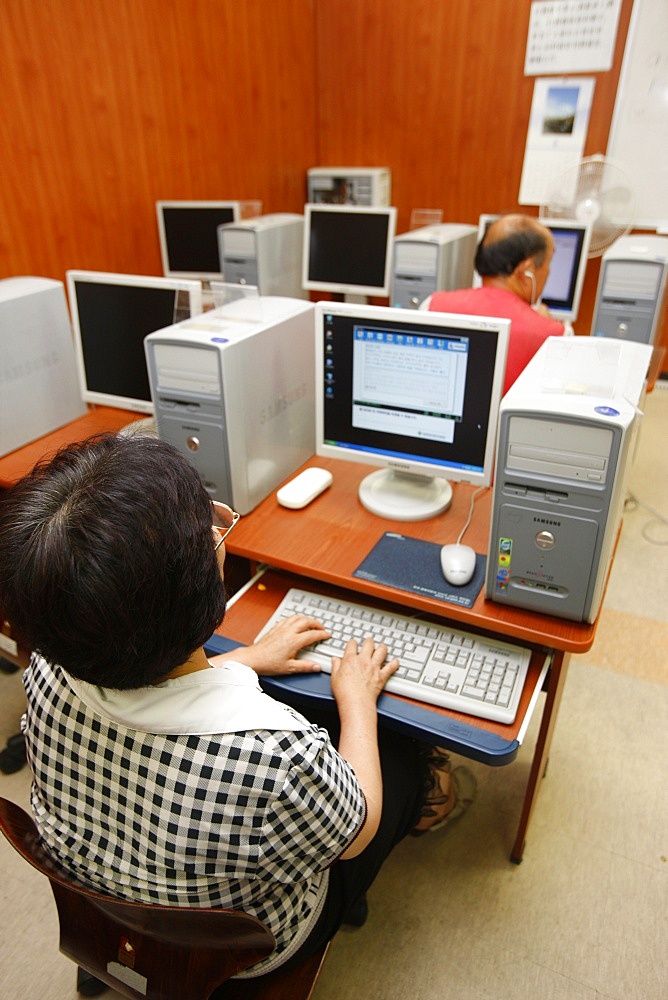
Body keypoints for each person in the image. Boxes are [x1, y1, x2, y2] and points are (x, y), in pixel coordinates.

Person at [0, 433, 475, 991]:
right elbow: (357, 829)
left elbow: (143, 690)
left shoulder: (50, 671)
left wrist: (246, 659)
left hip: (105, 904)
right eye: (209, 527)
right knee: (398, 753)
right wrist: (356, 699)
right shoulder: (278, 758)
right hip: (248, 949)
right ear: (205, 581)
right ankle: (422, 803)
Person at [422, 214, 565, 395]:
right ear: (527, 270)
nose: (549, 272)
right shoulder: (553, 336)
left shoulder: (432, 305)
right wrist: (546, 323)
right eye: (548, 264)